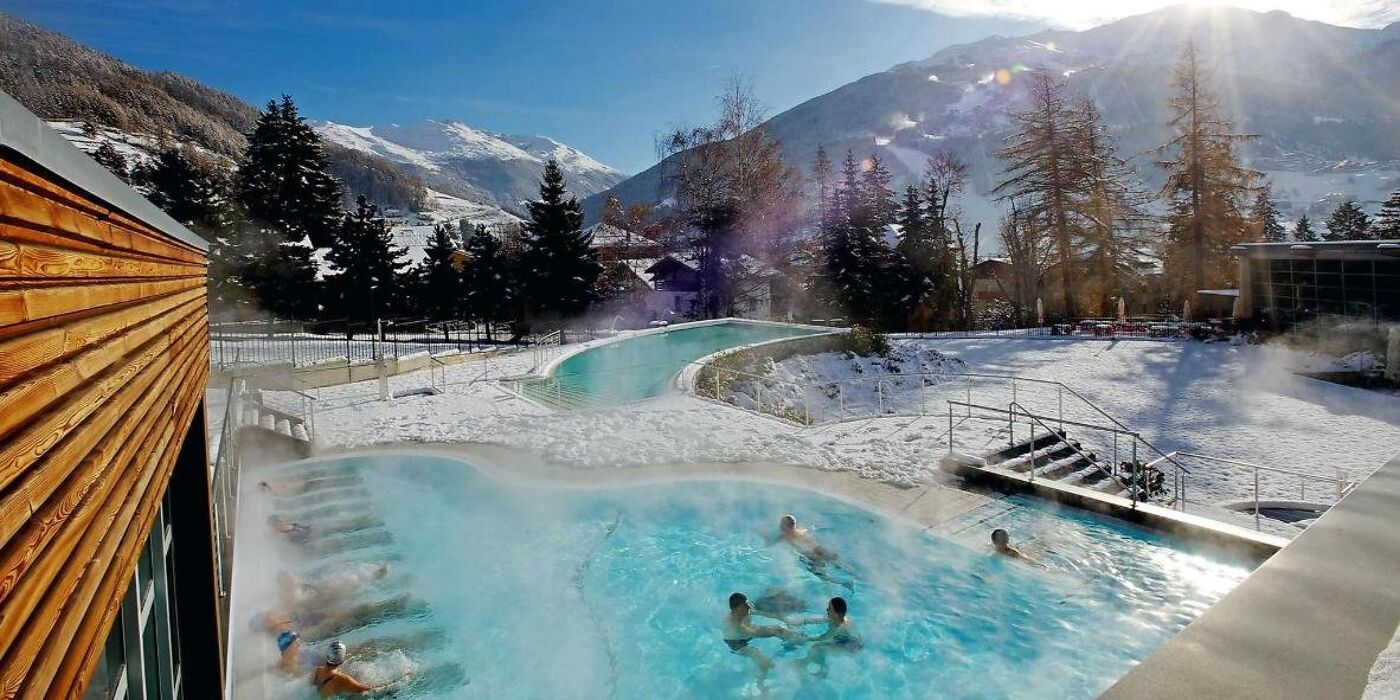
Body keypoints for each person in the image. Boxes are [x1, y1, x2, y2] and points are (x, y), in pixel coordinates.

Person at [723, 592, 795, 686]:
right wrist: (775, 631)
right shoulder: (735, 625)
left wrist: (781, 618)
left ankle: (792, 642)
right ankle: (760, 685)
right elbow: (757, 633)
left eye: (747, 603)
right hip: (737, 643)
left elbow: (762, 613)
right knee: (767, 663)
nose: (748, 607)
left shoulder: (744, 608)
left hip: (748, 629)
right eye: (744, 606)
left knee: (780, 629)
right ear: (736, 609)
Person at [771, 515, 854, 589]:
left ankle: (843, 583)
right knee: (840, 565)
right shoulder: (802, 530)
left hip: (810, 556)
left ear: (786, 526)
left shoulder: (785, 536)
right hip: (821, 549)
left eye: (782, 524)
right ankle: (856, 575)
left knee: (822, 576)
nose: (780, 526)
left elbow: (772, 542)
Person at [310, 640, 408, 697]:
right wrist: (397, 683)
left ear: (327, 655)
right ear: (342, 660)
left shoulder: (317, 671)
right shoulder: (343, 680)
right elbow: (369, 691)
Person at [793, 597, 862, 678]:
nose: (827, 610)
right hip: (846, 639)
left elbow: (822, 638)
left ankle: (822, 670)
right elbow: (822, 620)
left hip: (850, 646)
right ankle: (816, 666)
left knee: (818, 647)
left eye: (829, 608)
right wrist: (804, 621)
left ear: (836, 614)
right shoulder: (839, 618)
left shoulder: (838, 628)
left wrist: (806, 638)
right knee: (821, 646)